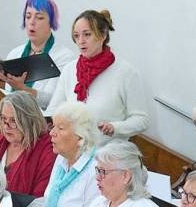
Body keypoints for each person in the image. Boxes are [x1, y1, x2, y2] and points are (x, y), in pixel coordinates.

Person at [46, 9, 149, 140]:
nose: (81, 41)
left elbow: (142, 120)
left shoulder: (126, 73)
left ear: (103, 35)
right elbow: (54, 111)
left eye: (87, 34)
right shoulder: (69, 69)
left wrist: (115, 128)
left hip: (107, 155)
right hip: (72, 152)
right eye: (76, 36)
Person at [0, 0, 75, 110]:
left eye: (39, 17)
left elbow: (54, 101)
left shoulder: (64, 57)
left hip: (43, 123)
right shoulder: (15, 53)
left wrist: (22, 88)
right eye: (28, 16)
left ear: (51, 22)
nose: (32, 22)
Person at [33, 102, 99, 207]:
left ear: (80, 136)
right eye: (53, 126)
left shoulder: (95, 171)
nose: (52, 133)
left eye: (60, 128)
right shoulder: (61, 159)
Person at [0, 91, 55, 197]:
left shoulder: (47, 150)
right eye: (3, 119)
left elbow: (39, 199)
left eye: (13, 120)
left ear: (30, 121)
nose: (6, 126)